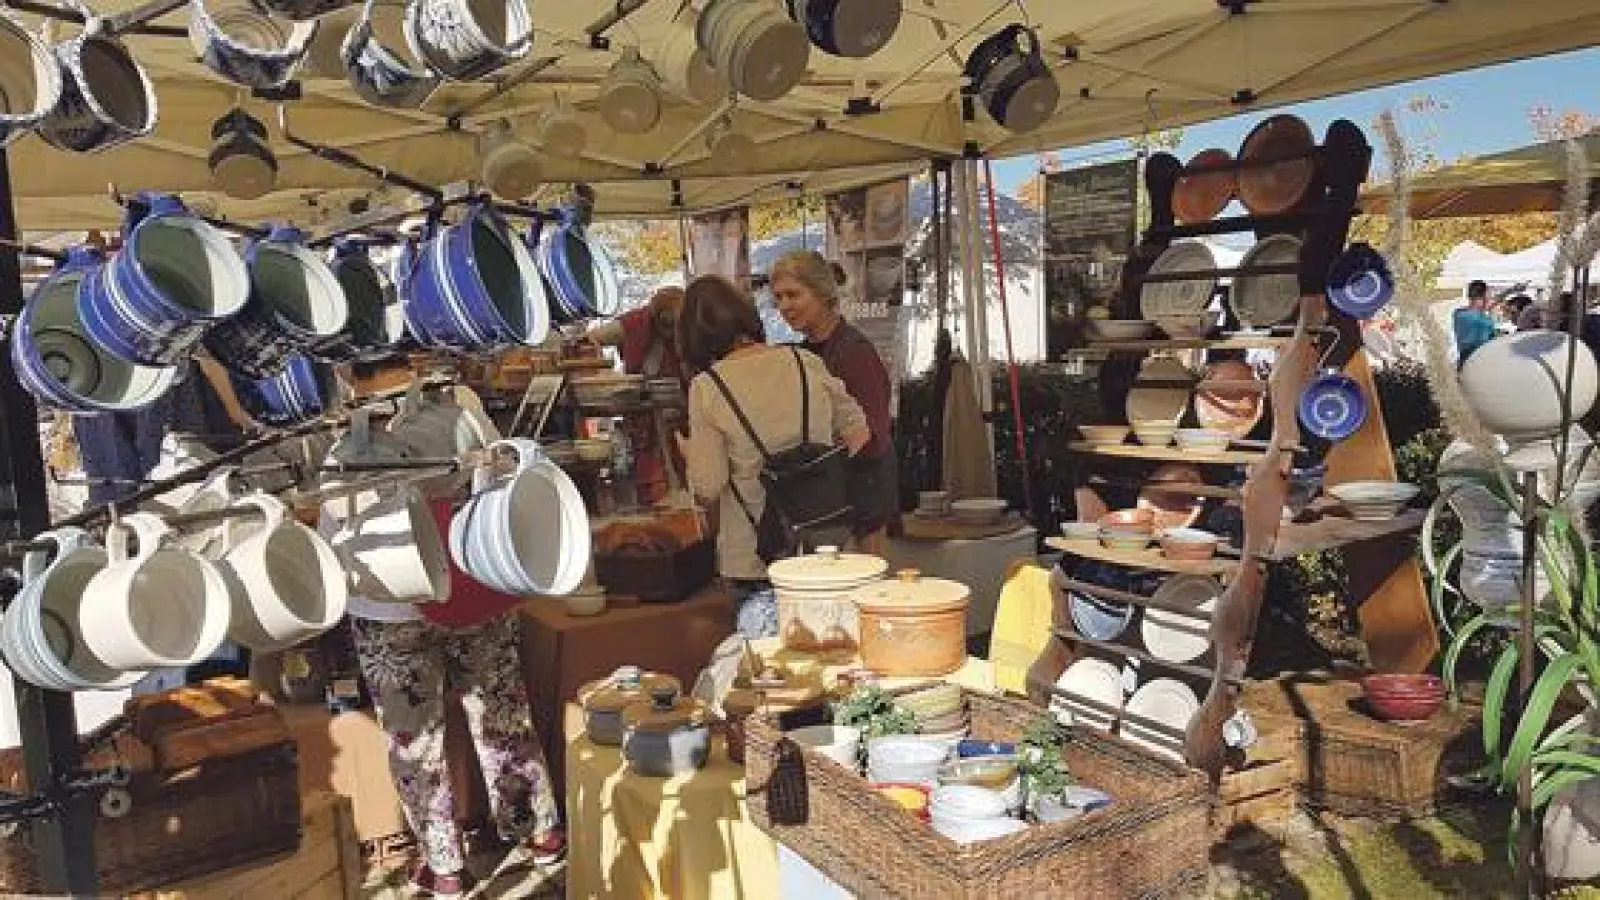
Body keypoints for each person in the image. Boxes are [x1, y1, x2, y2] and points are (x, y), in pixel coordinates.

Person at [675, 275, 870, 638]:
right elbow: (858, 433)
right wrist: (816, 471)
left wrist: (689, 454)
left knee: (777, 685)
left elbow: (708, 485)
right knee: (836, 671)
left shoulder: (707, 389)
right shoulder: (804, 361)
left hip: (758, 563)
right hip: (827, 547)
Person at [770, 250, 897, 554]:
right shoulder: (802, 354)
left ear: (822, 293)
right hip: (825, 499)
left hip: (860, 500)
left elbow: (873, 437)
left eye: (793, 295)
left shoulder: (855, 353)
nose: (784, 306)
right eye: (778, 298)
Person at [585, 286, 687, 504]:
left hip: (685, 418)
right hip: (644, 421)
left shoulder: (694, 329)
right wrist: (602, 374)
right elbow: (589, 341)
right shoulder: (635, 325)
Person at [1453, 279, 1497, 366]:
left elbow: (1475, 311)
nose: (1490, 297)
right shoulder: (1485, 321)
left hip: (1463, 361)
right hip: (1480, 362)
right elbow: (1493, 342)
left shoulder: (1458, 314)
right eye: (1489, 295)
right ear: (1484, 296)